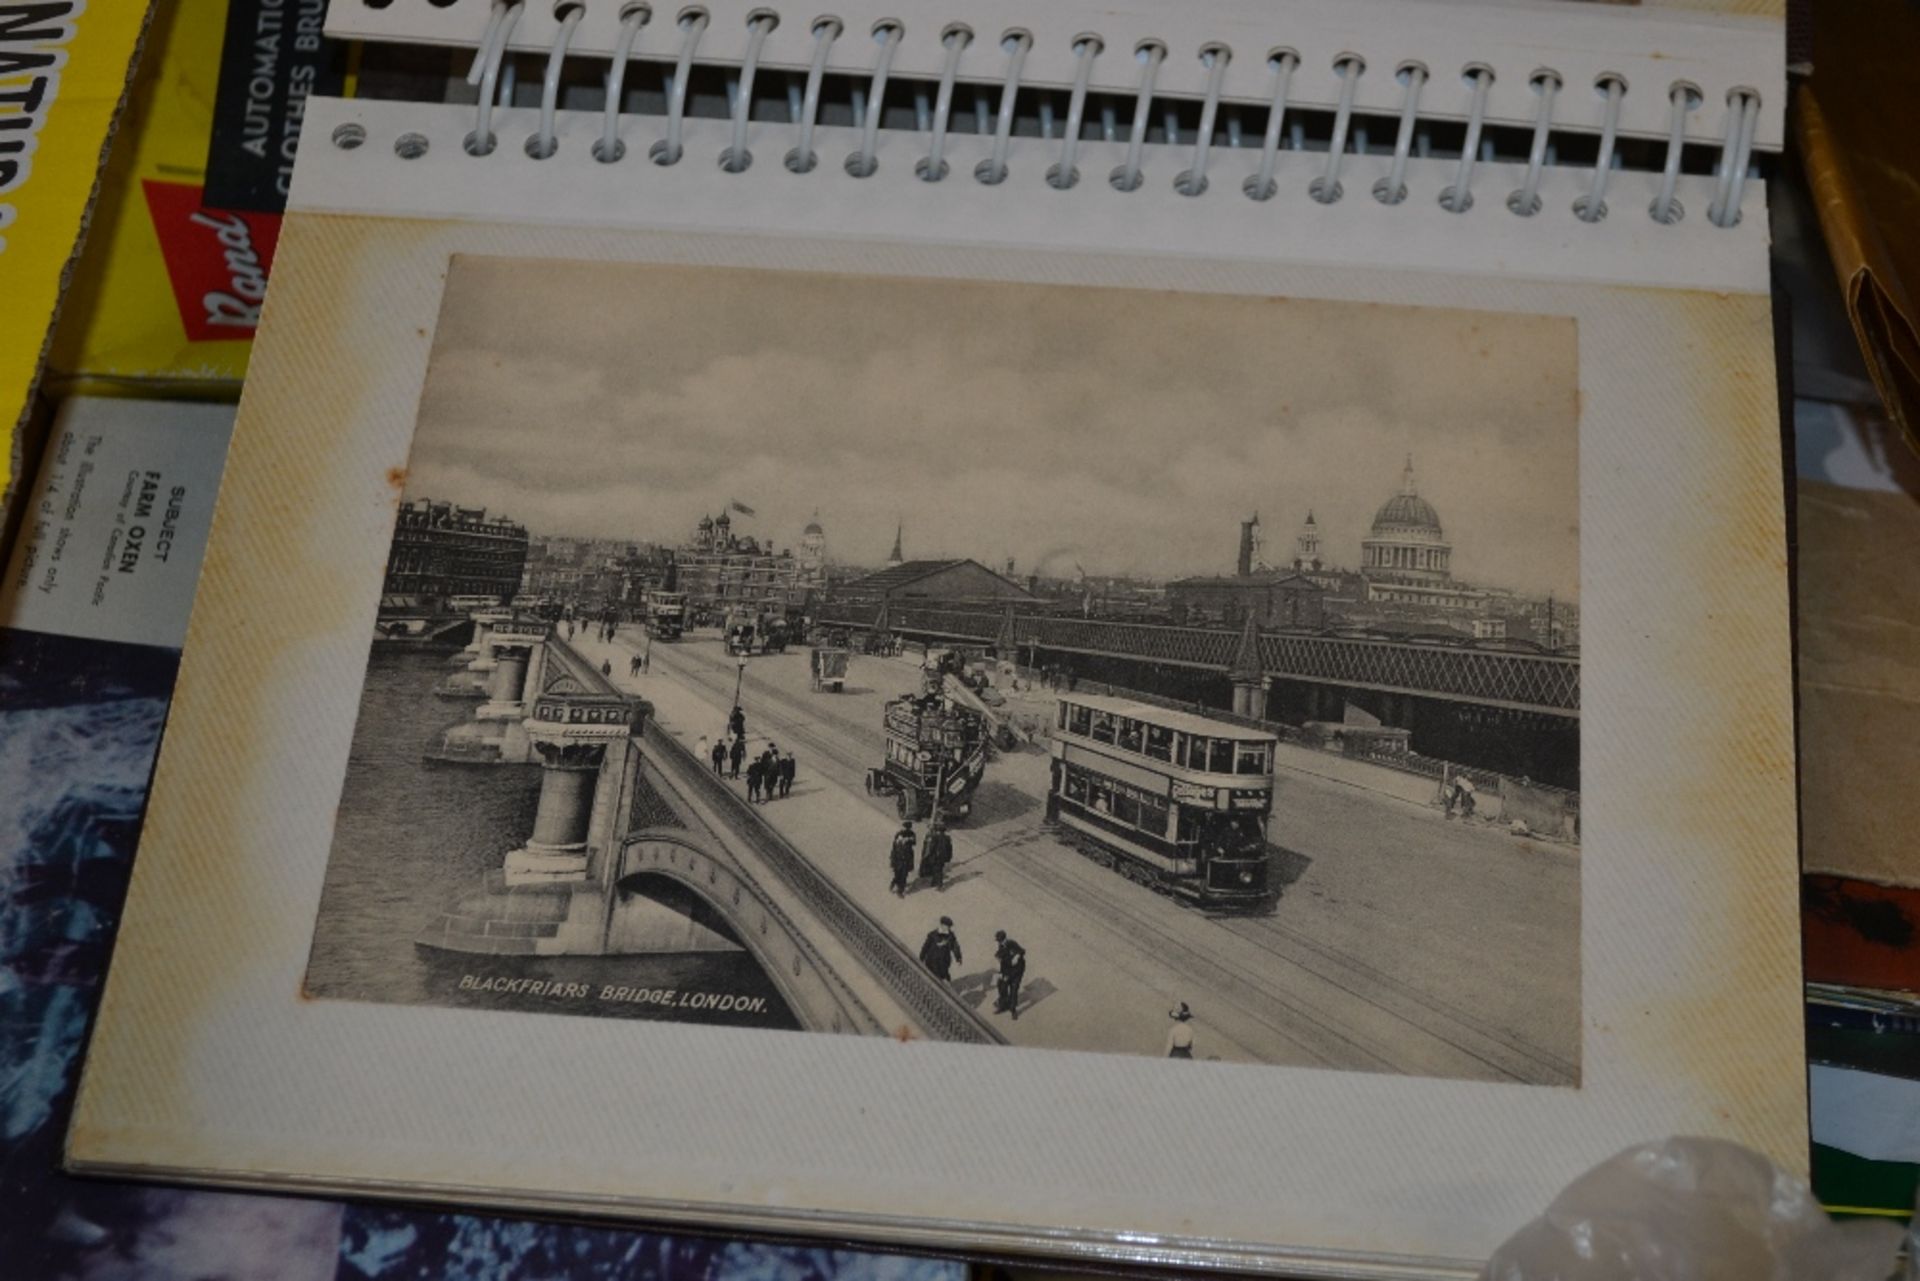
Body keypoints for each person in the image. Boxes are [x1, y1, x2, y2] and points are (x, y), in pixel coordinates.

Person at [992, 930, 1026, 1019]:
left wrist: (1017, 956)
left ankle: (1013, 1009)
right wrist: (1001, 973)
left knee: (1014, 989)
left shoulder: (1012, 943)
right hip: (1007, 970)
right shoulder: (1001, 945)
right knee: (1002, 985)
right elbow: (1002, 960)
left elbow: (1022, 951)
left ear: (1004, 939)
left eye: (999, 940)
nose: (999, 942)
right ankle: (1003, 1005)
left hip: (1016, 971)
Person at [919, 916, 962, 981]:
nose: (946, 928)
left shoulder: (951, 936)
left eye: (948, 926)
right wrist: (921, 957)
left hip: (943, 962)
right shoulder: (932, 934)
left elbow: (955, 947)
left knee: (942, 976)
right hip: (931, 961)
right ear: (941, 925)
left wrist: (958, 958)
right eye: (945, 926)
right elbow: (925, 947)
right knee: (931, 975)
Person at [921, 820, 953, 890]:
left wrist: (929, 855)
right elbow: (950, 848)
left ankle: (940, 885)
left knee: (937, 870)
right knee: (938, 869)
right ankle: (934, 882)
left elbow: (932, 847)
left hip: (936, 856)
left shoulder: (935, 837)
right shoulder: (947, 838)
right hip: (943, 857)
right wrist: (949, 857)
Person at [889, 822, 917, 896]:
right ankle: (893, 884)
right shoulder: (899, 834)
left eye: (906, 828)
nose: (904, 829)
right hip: (898, 859)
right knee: (897, 875)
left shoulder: (911, 834)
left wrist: (908, 839)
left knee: (904, 876)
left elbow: (914, 842)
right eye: (904, 827)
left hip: (906, 859)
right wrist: (892, 860)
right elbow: (894, 849)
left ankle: (900, 891)